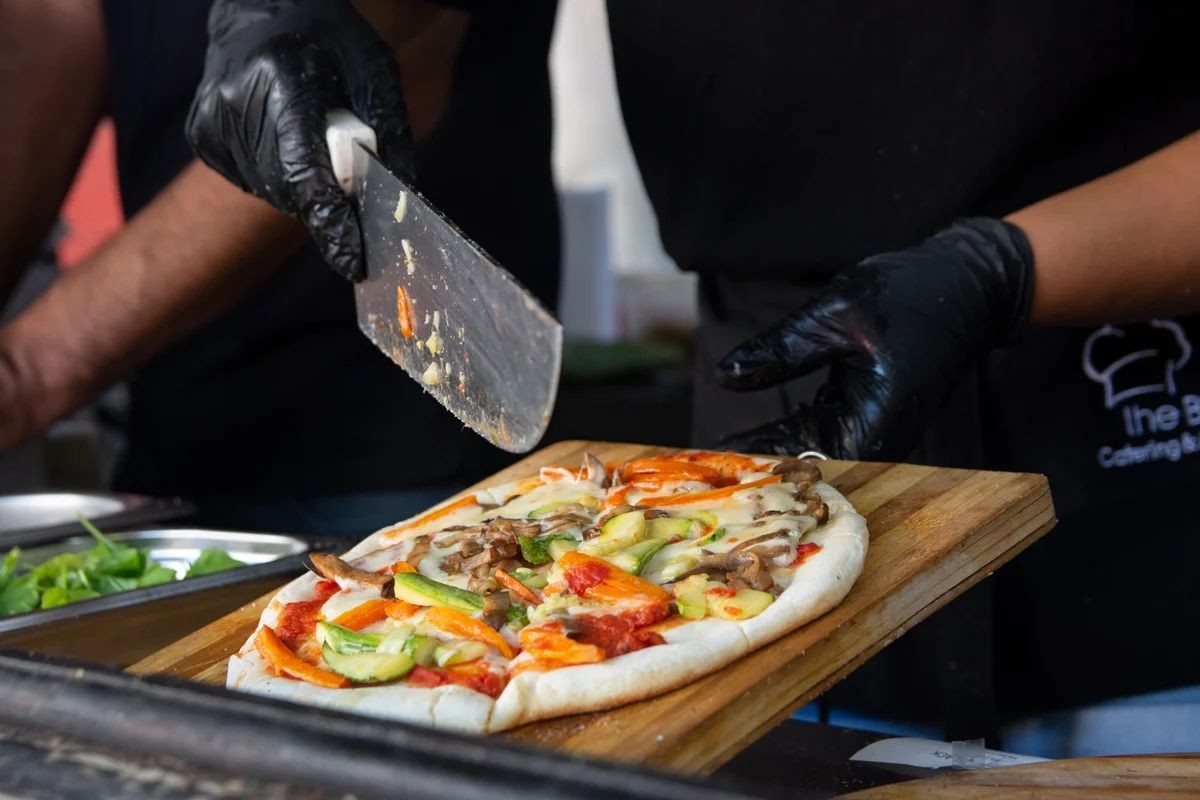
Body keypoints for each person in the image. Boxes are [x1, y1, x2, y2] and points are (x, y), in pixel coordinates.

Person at [188, 0, 1200, 751]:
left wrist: (1000, 269)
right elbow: (427, 30)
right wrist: (311, 17)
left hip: (1133, 439)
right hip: (757, 461)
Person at [0, 0, 560, 537]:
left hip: (397, 455)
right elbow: (60, 24)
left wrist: (28, 373)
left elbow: (381, 56)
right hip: (173, 437)